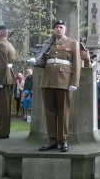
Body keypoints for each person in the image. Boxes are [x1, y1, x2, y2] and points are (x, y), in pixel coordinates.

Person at [29, 20, 80, 152]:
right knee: (49, 112)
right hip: (48, 80)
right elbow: (44, 62)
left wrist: (74, 82)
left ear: (65, 30)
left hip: (64, 80)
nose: (59, 29)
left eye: (61, 27)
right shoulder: (48, 43)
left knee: (63, 112)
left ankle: (63, 140)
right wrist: (36, 61)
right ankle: (52, 140)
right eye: (56, 27)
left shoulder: (72, 43)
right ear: (53, 30)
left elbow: (76, 64)